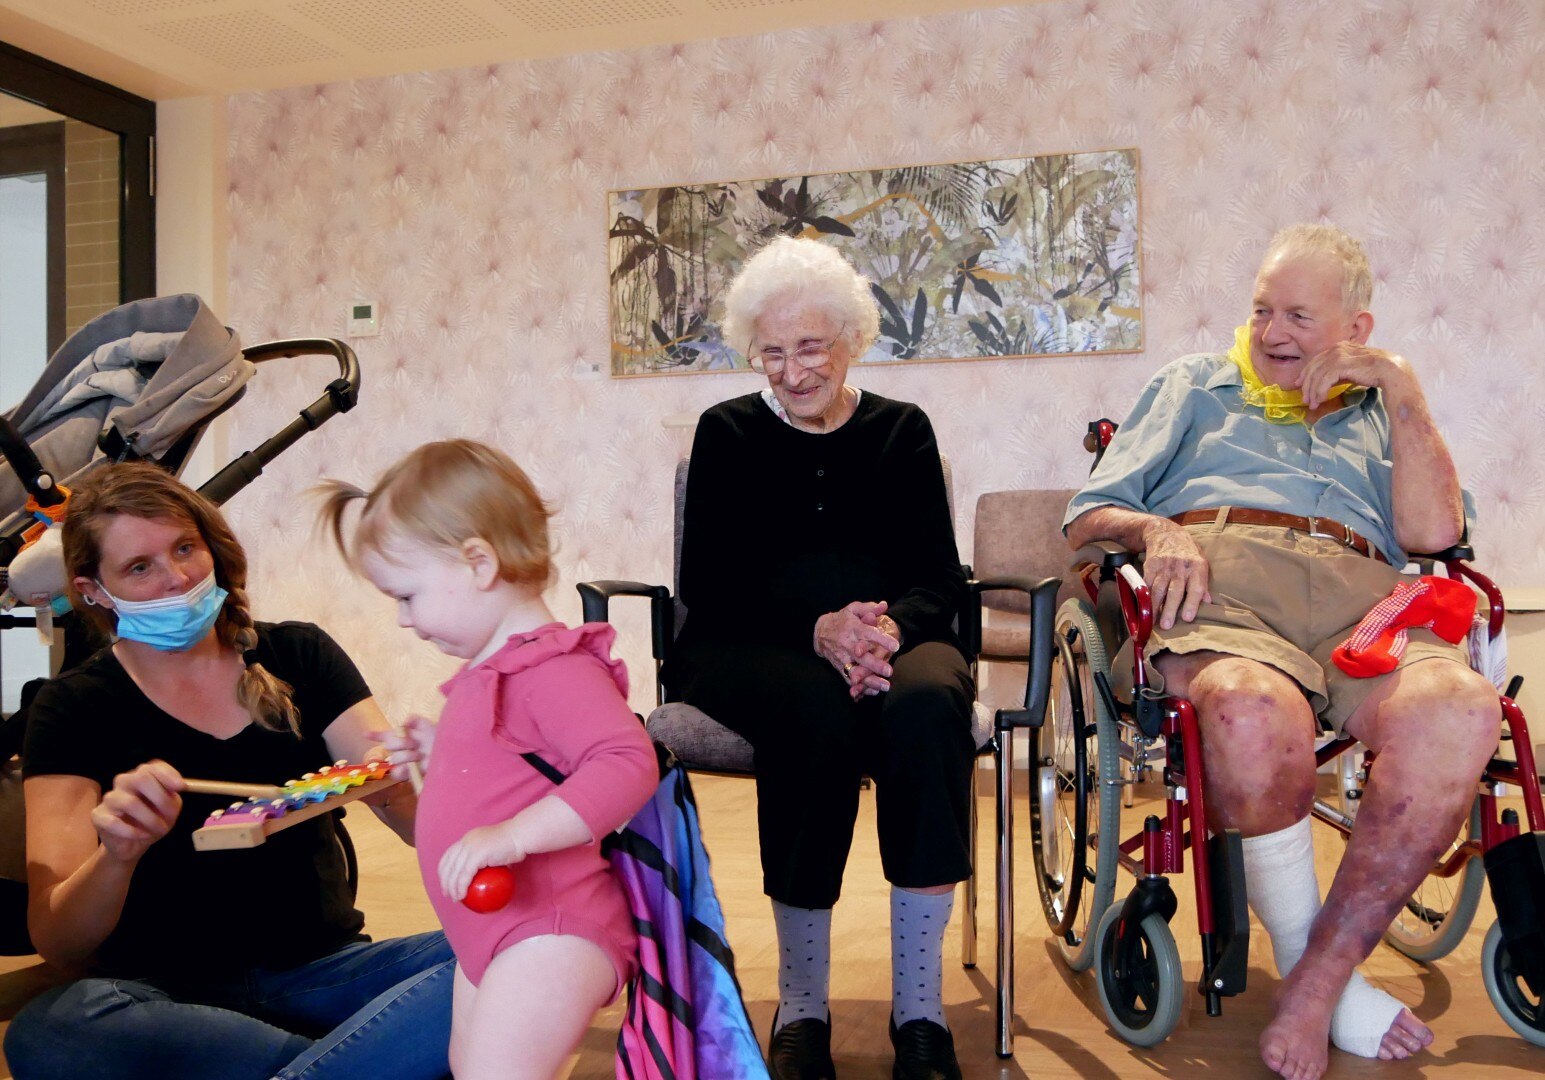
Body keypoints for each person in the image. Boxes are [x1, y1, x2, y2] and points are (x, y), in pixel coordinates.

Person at [1064, 223, 1501, 1080]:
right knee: (1254, 708)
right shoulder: (1193, 384)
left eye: (1298, 315)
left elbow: (1433, 534)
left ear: (1357, 330)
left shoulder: (1385, 412)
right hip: (1222, 581)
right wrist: (1156, 529)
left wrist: (1405, 397)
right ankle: (1326, 984)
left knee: (1460, 708)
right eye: (1262, 310)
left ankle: (1311, 986)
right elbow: (1088, 517)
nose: (1271, 334)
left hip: (1360, 598)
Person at [4, 462, 454, 1080]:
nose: (178, 578)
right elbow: (58, 941)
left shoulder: (299, 654)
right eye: (139, 567)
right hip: (164, 1001)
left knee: (522, 950)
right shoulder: (71, 707)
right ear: (91, 590)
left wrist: (412, 780)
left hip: (324, 975)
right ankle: (361, 1062)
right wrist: (117, 855)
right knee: (52, 1029)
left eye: (185, 548)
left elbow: (417, 824)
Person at [663, 237, 976, 1080]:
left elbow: (935, 575)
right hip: (746, 646)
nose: (792, 371)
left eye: (810, 347)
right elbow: (709, 584)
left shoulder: (900, 430)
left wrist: (883, 635)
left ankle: (920, 1014)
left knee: (925, 703)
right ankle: (801, 1008)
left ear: (850, 342)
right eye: (772, 351)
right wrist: (815, 629)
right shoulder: (724, 432)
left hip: (891, 639)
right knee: (814, 708)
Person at [319, 439, 659, 1080]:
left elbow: (625, 760)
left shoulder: (552, 668)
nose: (400, 619)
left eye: (407, 595)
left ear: (478, 562)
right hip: (494, 929)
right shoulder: (493, 670)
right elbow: (516, 764)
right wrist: (436, 749)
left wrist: (511, 836)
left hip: (553, 928)